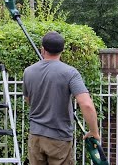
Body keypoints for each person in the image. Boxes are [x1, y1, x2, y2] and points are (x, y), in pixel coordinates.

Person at [23, 31, 100, 165]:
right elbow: (86, 104)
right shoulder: (70, 73)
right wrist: (94, 131)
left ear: (43, 49)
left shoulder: (28, 71)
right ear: (62, 50)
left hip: (35, 136)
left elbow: (28, 100)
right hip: (59, 138)